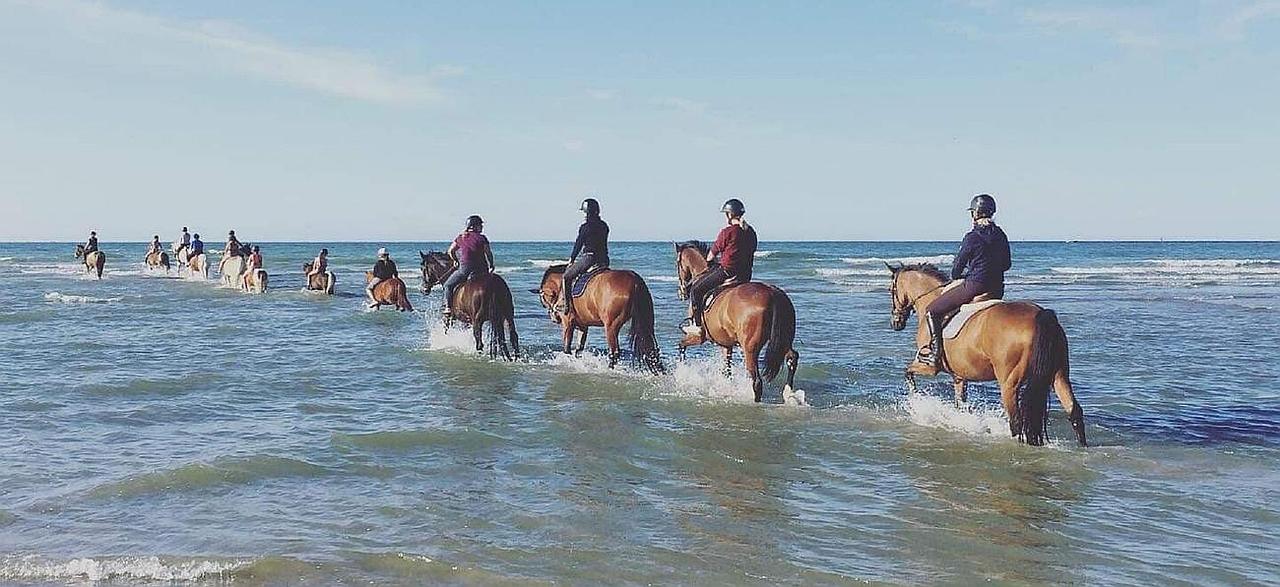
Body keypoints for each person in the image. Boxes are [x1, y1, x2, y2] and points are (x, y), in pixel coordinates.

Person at [913, 193, 1012, 372]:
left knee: (932, 310)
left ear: (975, 213)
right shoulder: (1001, 235)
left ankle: (935, 354)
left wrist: (967, 274)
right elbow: (1007, 264)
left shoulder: (972, 237)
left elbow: (956, 270)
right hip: (997, 288)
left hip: (975, 286)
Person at [684, 198, 757, 335]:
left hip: (728, 272)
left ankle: (697, 326)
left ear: (729, 215)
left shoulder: (727, 232)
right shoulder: (751, 232)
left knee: (695, 290)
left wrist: (712, 260)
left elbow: (710, 256)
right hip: (745, 275)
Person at [560, 198, 609, 315]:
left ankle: (567, 306)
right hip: (604, 260)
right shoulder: (604, 226)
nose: (584, 215)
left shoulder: (585, 227)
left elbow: (578, 244)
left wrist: (572, 259)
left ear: (588, 212)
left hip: (589, 258)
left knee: (566, 277)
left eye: (585, 212)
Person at [442, 215, 494, 316]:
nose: (482, 227)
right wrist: (491, 265)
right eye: (480, 225)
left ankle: (448, 307)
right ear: (473, 226)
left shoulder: (460, 237)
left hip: (465, 269)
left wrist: (455, 260)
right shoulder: (482, 238)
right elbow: (488, 253)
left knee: (447, 285)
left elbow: (450, 251)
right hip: (482, 270)